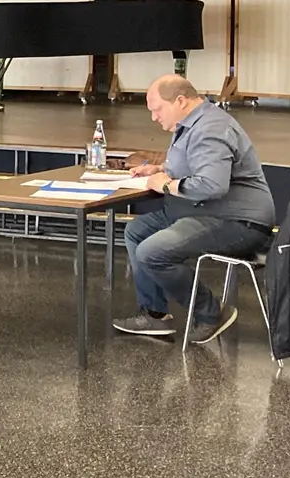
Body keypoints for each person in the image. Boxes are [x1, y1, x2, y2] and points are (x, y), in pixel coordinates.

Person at [113, 75, 276, 343]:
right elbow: (195, 162)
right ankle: (154, 315)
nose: (154, 118)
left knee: (151, 252)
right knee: (137, 230)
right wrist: (162, 168)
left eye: (157, 110)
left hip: (236, 220)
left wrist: (167, 185)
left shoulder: (210, 128)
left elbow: (212, 184)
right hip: (202, 211)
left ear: (180, 101)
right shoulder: (194, 123)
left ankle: (211, 312)